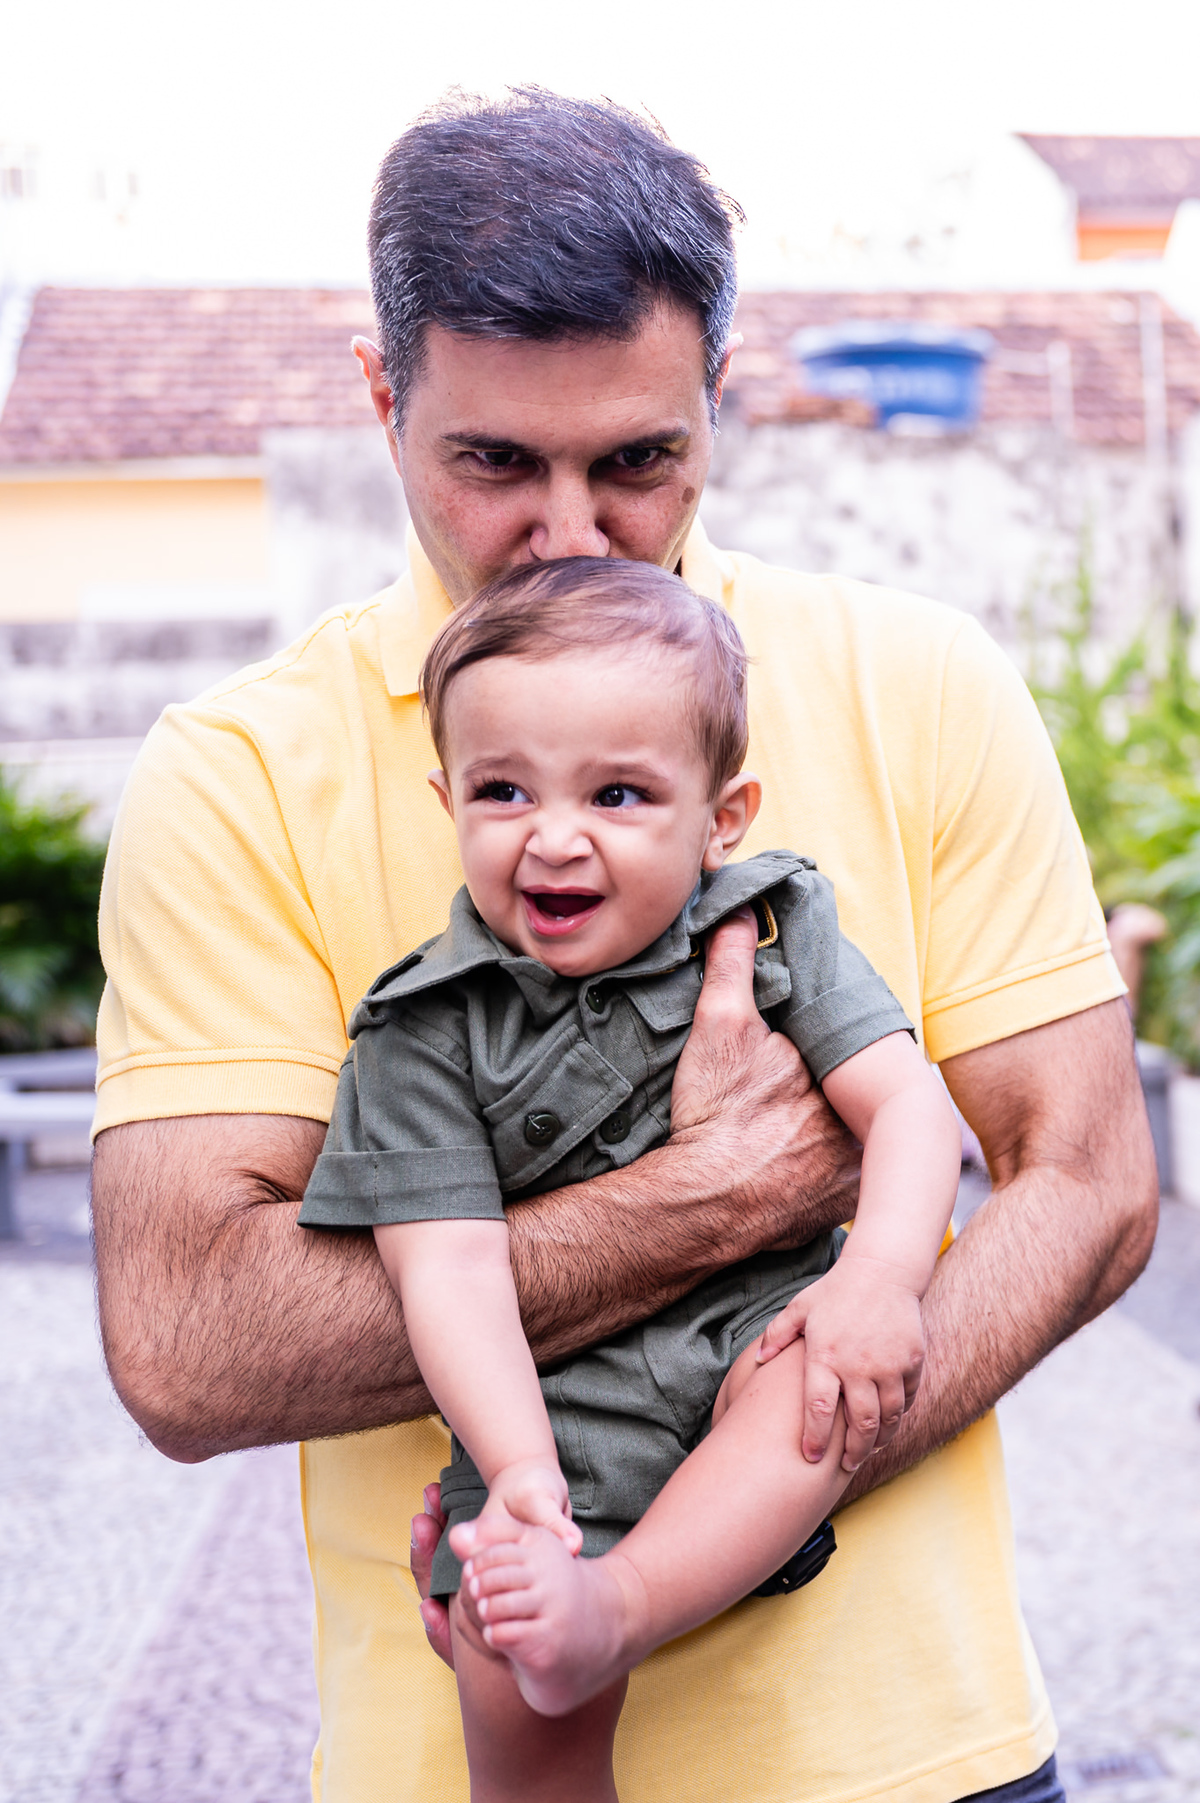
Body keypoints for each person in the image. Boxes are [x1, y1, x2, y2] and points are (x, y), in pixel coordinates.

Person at [91, 89, 1157, 1803]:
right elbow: (190, 1341)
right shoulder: (235, 776)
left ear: (718, 406)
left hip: (923, 1756)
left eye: (639, 460)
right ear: (383, 404)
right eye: (496, 462)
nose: (574, 532)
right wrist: (711, 1200)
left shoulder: (920, 678)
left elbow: (1091, 1182)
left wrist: (741, 1488)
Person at [296, 557, 962, 1798]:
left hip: (753, 1346)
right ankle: (567, 1626)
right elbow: (449, 1268)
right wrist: (520, 1473)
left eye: (617, 793)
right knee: (500, 1638)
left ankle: (624, 1605)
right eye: (503, 790)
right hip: (562, 1412)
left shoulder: (771, 931)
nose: (553, 836)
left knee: (812, 1391)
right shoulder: (419, 1032)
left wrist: (880, 1278)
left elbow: (910, 1107)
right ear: (448, 798)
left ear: (721, 817)